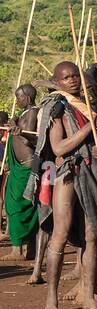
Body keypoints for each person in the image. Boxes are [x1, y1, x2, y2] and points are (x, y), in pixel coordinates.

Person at [29, 62, 97, 309]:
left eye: (75, 75)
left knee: (92, 234)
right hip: (67, 173)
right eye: (66, 77)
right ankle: (51, 299)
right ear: (57, 81)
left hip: (91, 170)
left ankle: (88, 294)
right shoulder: (57, 107)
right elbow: (59, 148)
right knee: (61, 234)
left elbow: (95, 140)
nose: (73, 80)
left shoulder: (89, 105)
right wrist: (90, 127)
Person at [4, 85, 40, 268]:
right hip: (20, 168)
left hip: (27, 167)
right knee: (17, 205)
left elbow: (32, 139)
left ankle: (17, 249)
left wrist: (17, 129)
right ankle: (29, 248)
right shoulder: (25, 113)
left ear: (27, 97)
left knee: (18, 205)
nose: (16, 101)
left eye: (18, 97)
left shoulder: (33, 113)